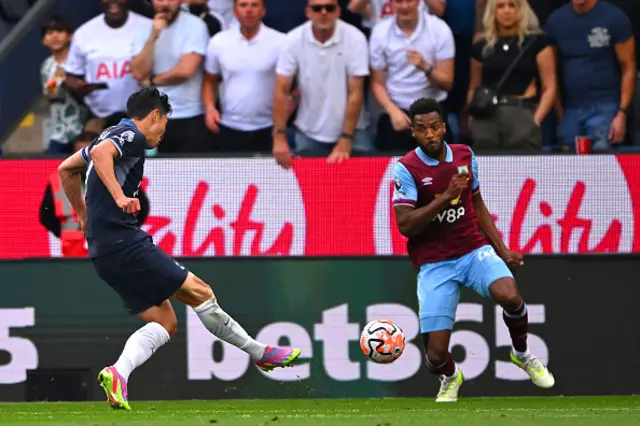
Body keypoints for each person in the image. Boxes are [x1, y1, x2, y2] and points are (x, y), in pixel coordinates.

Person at [56, 87, 300, 410]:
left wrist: (83, 218)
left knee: (165, 323)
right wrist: (117, 197)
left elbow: (66, 169)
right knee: (201, 291)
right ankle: (261, 354)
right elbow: (101, 156)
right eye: (164, 125)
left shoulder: (108, 133)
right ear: (154, 115)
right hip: (123, 242)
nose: (162, 133)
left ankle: (118, 373)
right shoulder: (130, 134)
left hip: (103, 252)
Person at [391, 98, 554, 402]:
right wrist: (445, 197)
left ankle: (522, 353)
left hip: (471, 249)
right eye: (422, 129)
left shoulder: (465, 156)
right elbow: (406, 225)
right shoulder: (406, 169)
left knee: (510, 295)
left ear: (444, 126)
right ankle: (452, 377)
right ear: (413, 132)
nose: (430, 134)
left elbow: (477, 203)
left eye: (435, 127)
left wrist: (502, 249)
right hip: (434, 262)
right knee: (435, 357)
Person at [40, 131, 150, 257]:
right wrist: (67, 235)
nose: (84, 161)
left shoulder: (121, 178)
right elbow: (46, 216)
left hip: (111, 252)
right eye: (79, 156)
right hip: (74, 254)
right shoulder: (58, 181)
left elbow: (142, 209)